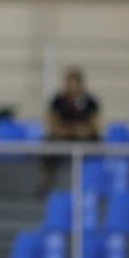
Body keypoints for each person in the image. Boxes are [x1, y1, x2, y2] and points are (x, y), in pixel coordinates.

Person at [38, 67, 101, 196]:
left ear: (80, 84)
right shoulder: (58, 100)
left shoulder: (90, 101)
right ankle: (46, 184)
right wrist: (72, 130)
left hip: (84, 138)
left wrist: (82, 131)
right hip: (62, 137)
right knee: (47, 143)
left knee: (97, 142)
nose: (71, 87)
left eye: (74, 83)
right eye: (68, 83)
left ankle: (95, 185)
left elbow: (94, 126)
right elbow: (53, 124)